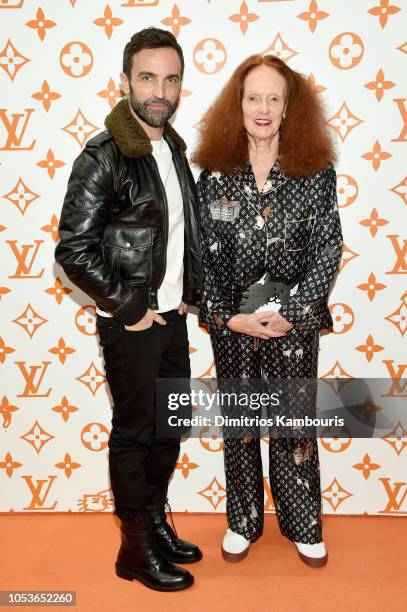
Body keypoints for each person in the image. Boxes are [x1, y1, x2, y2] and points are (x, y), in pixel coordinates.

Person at [55, 27, 202, 591]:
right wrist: (128, 306)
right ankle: (133, 549)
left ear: (180, 84)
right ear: (125, 81)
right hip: (132, 323)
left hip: (171, 319)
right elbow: (73, 249)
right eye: (148, 78)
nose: (159, 90)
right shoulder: (105, 154)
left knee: (171, 428)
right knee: (136, 433)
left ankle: (155, 523)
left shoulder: (174, 149)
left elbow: (175, 231)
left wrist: (184, 291)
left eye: (170, 78)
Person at [192, 54, 343, 567]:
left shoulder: (315, 172)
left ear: (288, 108)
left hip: (292, 328)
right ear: (238, 105)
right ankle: (242, 521)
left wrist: (296, 312)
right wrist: (226, 314)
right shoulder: (213, 175)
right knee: (240, 423)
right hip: (232, 325)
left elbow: (329, 247)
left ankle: (303, 523)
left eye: (273, 98)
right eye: (253, 96)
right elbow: (199, 254)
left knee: (293, 423)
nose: (262, 107)